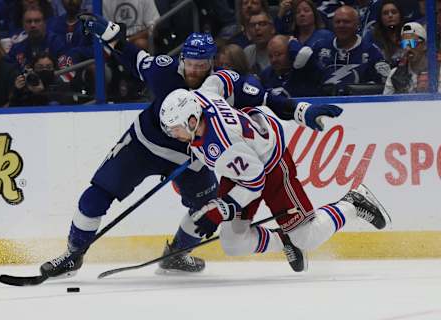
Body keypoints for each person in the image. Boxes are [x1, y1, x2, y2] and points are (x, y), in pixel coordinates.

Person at [38, 14, 343, 279]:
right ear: (182, 59)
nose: (196, 70)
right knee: (95, 197)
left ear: (211, 62)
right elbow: (131, 55)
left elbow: (267, 100)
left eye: (202, 64)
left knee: (206, 211)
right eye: (191, 63)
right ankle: (73, 254)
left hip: (194, 156)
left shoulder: (221, 84)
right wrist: (109, 34)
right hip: (143, 146)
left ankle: (177, 255)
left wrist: (303, 111)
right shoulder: (163, 71)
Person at [159, 88, 391, 268]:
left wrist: (221, 209)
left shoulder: (221, 143)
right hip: (242, 165)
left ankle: (352, 203)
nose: (172, 134)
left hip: (271, 167)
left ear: (191, 120)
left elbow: (255, 181)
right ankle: (285, 240)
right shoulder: (200, 98)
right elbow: (222, 80)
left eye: (175, 128)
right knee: (232, 242)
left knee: (307, 238)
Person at [383, 22, 434, 94]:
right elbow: (386, 102)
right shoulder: (394, 74)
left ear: (424, 45)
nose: (408, 49)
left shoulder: (437, 72)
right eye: (404, 44)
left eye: (412, 43)